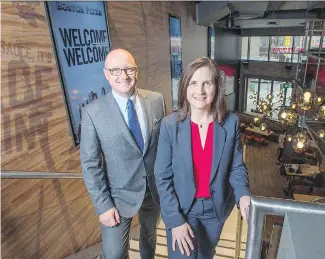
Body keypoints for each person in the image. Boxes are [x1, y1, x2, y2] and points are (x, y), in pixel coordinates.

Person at [155, 57, 251, 258]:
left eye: (207, 83)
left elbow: (236, 167)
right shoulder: (169, 126)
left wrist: (243, 194)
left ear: (216, 87)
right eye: (193, 83)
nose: (200, 91)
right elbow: (162, 178)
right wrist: (175, 220)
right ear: (184, 87)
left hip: (215, 210)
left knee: (206, 254)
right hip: (182, 209)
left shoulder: (230, 122)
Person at [80, 49, 165, 259]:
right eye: (115, 70)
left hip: (153, 191)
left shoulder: (156, 100)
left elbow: (163, 145)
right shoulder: (93, 112)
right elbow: (90, 164)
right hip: (117, 196)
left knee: (150, 238)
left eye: (128, 69)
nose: (123, 75)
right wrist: (103, 206)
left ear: (136, 71)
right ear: (106, 74)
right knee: (114, 254)